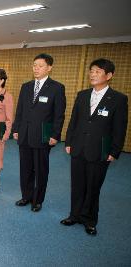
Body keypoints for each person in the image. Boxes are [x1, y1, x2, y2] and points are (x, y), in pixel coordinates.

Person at [60, 58, 128, 235]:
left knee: (93, 186)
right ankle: (74, 215)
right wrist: (68, 142)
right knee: (77, 185)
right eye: (91, 71)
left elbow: (120, 128)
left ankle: (89, 220)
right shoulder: (82, 95)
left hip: (100, 151)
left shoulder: (118, 99)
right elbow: (74, 121)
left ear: (109, 75)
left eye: (98, 71)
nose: (93, 74)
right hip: (78, 147)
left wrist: (114, 151)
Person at [12, 53, 66, 212]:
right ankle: (26, 196)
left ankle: (37, 200)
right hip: (25, 134)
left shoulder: (57, 87)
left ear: (49, 68)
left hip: (43, 135)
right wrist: (16, 129)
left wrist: (55, 135)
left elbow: (59, 114)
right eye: (34, 65)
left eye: (40, 65)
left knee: (41, 170)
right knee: (25, 168)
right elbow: (20, 110)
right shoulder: (26, 86)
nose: (36, 68)